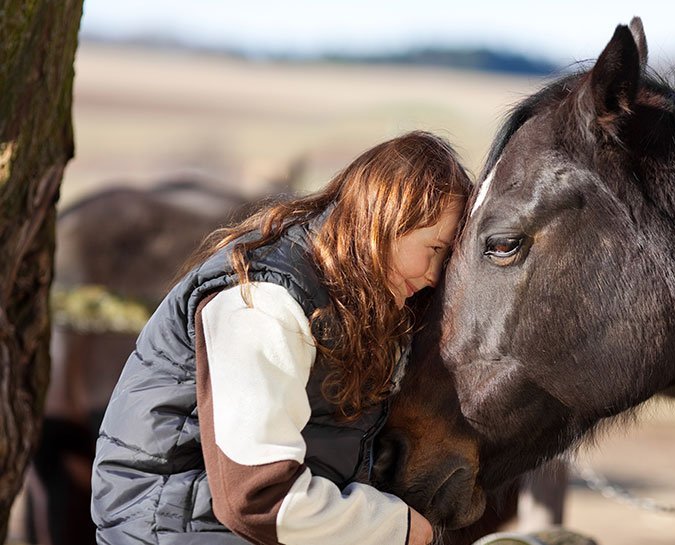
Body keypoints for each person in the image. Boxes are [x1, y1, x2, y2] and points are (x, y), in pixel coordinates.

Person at [90, 131, 472, 545]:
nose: (434, 275)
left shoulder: (351, 304)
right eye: (433, 249)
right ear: (384, 221)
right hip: (174, 531)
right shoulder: (264, 300)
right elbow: (257, 499)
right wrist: (396, 527)